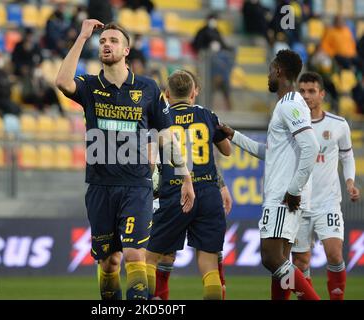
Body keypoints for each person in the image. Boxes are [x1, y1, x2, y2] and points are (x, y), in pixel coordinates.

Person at [55, 20, 195, 300]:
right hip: (100, 187)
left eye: (113, 41)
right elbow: (61, 82)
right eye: (103, 41)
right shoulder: (90, 86)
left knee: (134, 255)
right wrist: (83, 36)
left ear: (127, 50)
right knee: (109, 263)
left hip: (136, 186)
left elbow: (166, 136)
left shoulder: (147, 88)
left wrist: (185, 176)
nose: (106, 44)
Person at [218, 49, 321, 300]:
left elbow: (312, 147)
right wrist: (234, 136)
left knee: (271, 257)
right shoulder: (288, 105)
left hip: (284, 195)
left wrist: (294, 190)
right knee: (280, 262)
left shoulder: (289, 105)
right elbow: (270, 152)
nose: (267, 75)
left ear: (278, 70)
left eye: (270, 69)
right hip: (286, 194)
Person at [146, 70, 231, 300]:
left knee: (148, 258)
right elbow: (227, 150)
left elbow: (149, 162)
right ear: (193, 93)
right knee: (209, 265)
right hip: (208, 192)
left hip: (175, 192)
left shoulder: (159, 119)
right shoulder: (207, 114)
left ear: (166, 94)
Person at [291, 72, 360, 300]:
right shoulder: (290, 125)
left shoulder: (338, 125)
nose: (306, 96)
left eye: (311, 91)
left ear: (322, 94)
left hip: (328, 203)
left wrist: (350, 181)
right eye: (302, 91)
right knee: (300, 262)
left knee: (334, 253)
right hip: (298, 204)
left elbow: (347, 157)